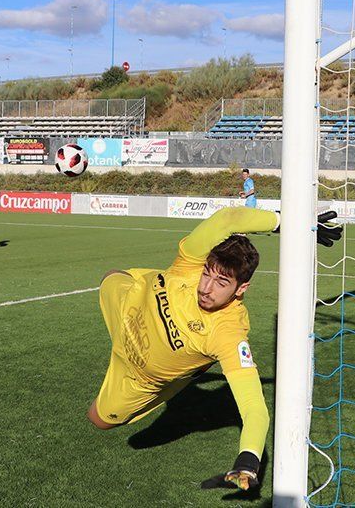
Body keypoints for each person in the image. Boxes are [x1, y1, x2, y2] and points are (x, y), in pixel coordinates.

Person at [87, 206, 341, 491]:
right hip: (127, 305)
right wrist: (288, 221)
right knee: (110, 277)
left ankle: (191, 369)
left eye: (221, 283)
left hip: (136, 375)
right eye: (206, 274)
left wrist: (248, 460)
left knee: (98, 420)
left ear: (241, 288)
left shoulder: (228, 333)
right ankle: (194, 365)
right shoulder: (191, 262)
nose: (206, 287)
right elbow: (227, 219)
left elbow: (255, 409)